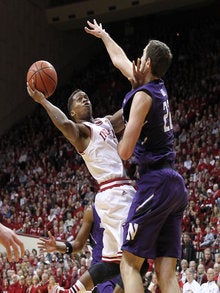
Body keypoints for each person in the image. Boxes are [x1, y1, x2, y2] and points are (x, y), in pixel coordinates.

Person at [85, 19, 188, 293]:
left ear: (148, 64)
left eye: (141, 56)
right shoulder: (157, 87)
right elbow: (120, 61)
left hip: (155, 183)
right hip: (175, 186)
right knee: (166, 275)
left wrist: (129, 100)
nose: (136, 59)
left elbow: (124, 152)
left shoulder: (141, 96)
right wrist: (105, 35)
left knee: (129, 263)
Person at [26, 78, 136, 292]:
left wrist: (139, 84)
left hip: (115, 195)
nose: (84, 99)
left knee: (113, 264)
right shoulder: (82, 132)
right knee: (135, 261)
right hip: (115, 194)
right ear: (73, 113)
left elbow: (128, 110)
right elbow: (65, 125)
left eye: (85, 96)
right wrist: (43, 101)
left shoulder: (106, 123)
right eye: (78, 99)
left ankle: (72, 291)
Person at [38, 204, 123, 293]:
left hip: (125, 267)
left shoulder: (130, 204)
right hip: (101, 269)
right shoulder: (92, 211)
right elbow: (78, 244)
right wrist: (57, 246)